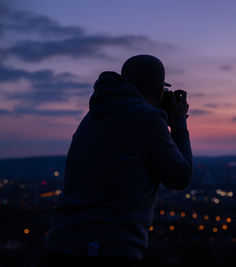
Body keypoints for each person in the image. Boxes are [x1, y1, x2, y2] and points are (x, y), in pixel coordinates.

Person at [45, 54, 193, 266]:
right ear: (160, 91)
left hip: (60, 244)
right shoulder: (147, 119)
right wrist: (178, 121)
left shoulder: (92, 118)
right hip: (109, 249)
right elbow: (180, 176)